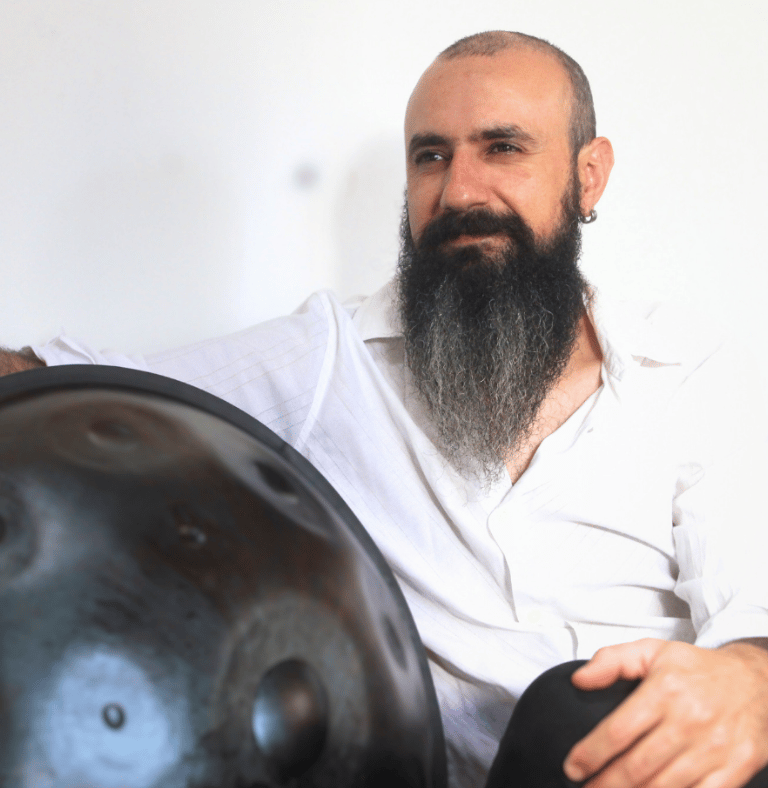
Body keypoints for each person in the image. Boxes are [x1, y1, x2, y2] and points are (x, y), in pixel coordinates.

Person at [3, 30, 768, 788]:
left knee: (588, 707)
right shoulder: (330, 358)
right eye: (431, 156)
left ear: (588, 176)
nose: (460, 192)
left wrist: (750, 680)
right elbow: (87, 391)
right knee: (567, 711)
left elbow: (754, 624)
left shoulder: (692, 373)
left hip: (665, 770)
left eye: (503, 148)